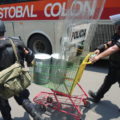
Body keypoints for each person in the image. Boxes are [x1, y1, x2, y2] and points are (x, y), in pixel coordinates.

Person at [0, 20, 41, 120]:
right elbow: (30, 56)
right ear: (4, 30)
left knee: (3, 104)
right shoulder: (16, 41)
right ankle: (37, 116)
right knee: (23, 99)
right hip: (18, 80)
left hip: (2, 85)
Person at [88, 14, 120, 103]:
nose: (115, 28)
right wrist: (100, 48)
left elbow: (114, 48)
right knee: (108, 81)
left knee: (109, 81)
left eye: (117, 26)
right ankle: (97, 97)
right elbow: (110, 44)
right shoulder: (117, 34)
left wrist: (98, 57)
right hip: (115, 65)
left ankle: (97, 96)